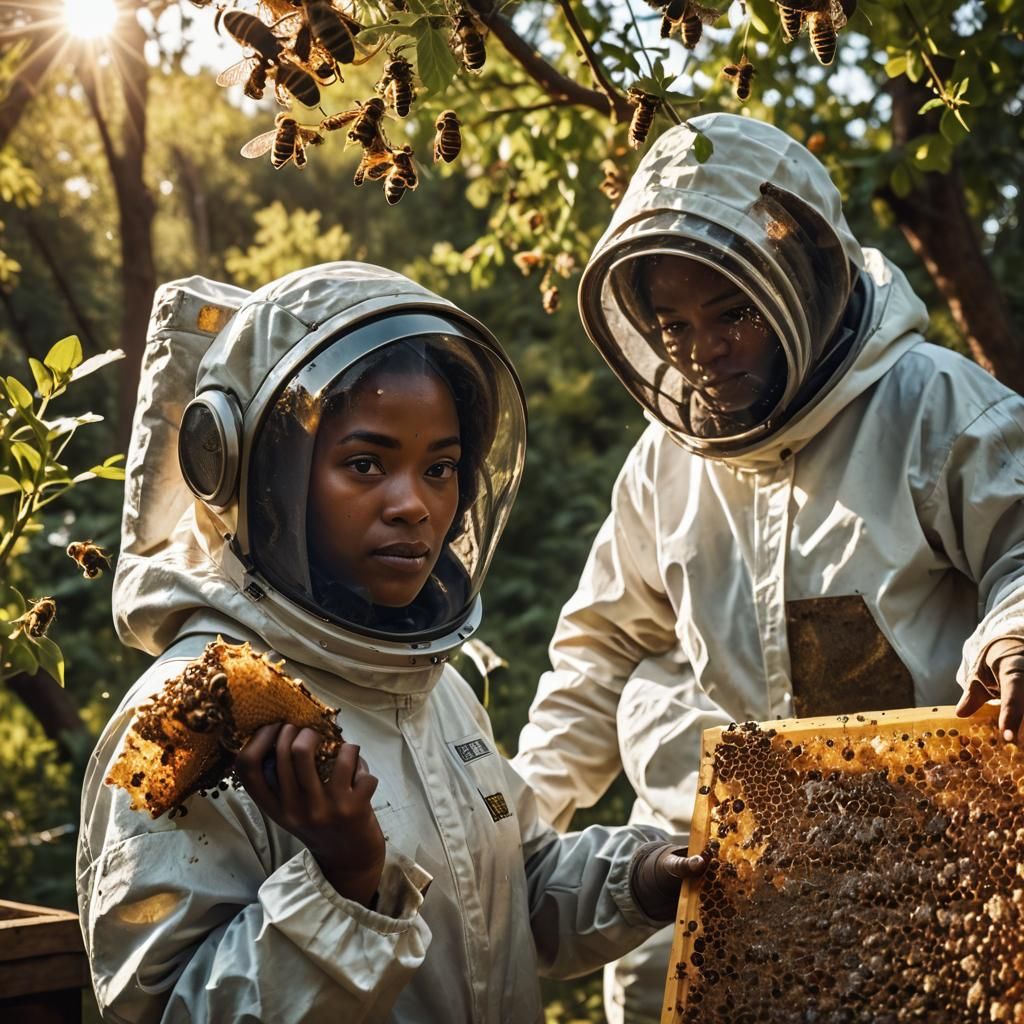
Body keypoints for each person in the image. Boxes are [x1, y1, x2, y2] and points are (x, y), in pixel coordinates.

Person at [76, 262, 706, 1023]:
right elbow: (162, 1011)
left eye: (439, 467)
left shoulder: (435, 690)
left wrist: (643, 877)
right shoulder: (181, 716)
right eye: (366, 464)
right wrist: (345, 884)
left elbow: (507, 894)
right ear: (267, 476)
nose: (415, 505)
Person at [510, 113, 1024, 1023]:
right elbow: (596, 653)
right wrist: (513, 819)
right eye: (672, 324)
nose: (702, 351)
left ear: (805, 276)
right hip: (711, 882)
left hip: (929, 871)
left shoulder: (934, 404)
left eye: (733, 313)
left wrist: (1016, 632)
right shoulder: (662, 465)